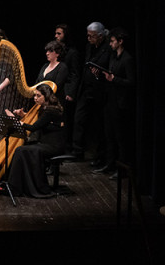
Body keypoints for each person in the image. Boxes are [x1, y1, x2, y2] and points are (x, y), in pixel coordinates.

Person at [3, 83, 65, 198]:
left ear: (46, 96)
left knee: (21, 150)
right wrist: (23, 115)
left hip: (54, 146)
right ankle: (18, 186)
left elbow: (33, 127)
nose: (35, 98)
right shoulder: (44, 108)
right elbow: (41, 122)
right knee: (21, 150)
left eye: (38, 96)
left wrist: (16, 121)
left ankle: (18, 187)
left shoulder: (51, 111)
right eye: (35, 95)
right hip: (45, 143)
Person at [96, 27, 135, 178]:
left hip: (120, 104)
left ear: (120, 42)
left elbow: (132, 81)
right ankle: (110, 164)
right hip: (110, 101)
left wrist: (114, 79)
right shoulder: (113, 56)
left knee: (120, 137)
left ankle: (122, 169)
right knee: (109, 135)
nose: (110, 44)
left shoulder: (127, 59)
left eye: (112, 41)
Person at [71, 22, 111, 165]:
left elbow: (108, 68)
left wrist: (99, 71)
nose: (88, 38)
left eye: (91, 36)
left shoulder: (107, 48)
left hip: (99, 91)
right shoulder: (89, 46)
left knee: (97, 124)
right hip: (86, 89)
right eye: (87, 35)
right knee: (79, 119)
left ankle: (99, 156)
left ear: (100, 36)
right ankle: (77, 152)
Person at [54, 24, 81, 151]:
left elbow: (75, 74)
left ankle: (68, 147)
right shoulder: (57, 50)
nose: (56, 36)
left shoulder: (73, 52)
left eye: (59, 34)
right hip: (58, 88)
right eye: (56, 33)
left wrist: (70, 92)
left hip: (67, 89)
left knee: (67, 119)